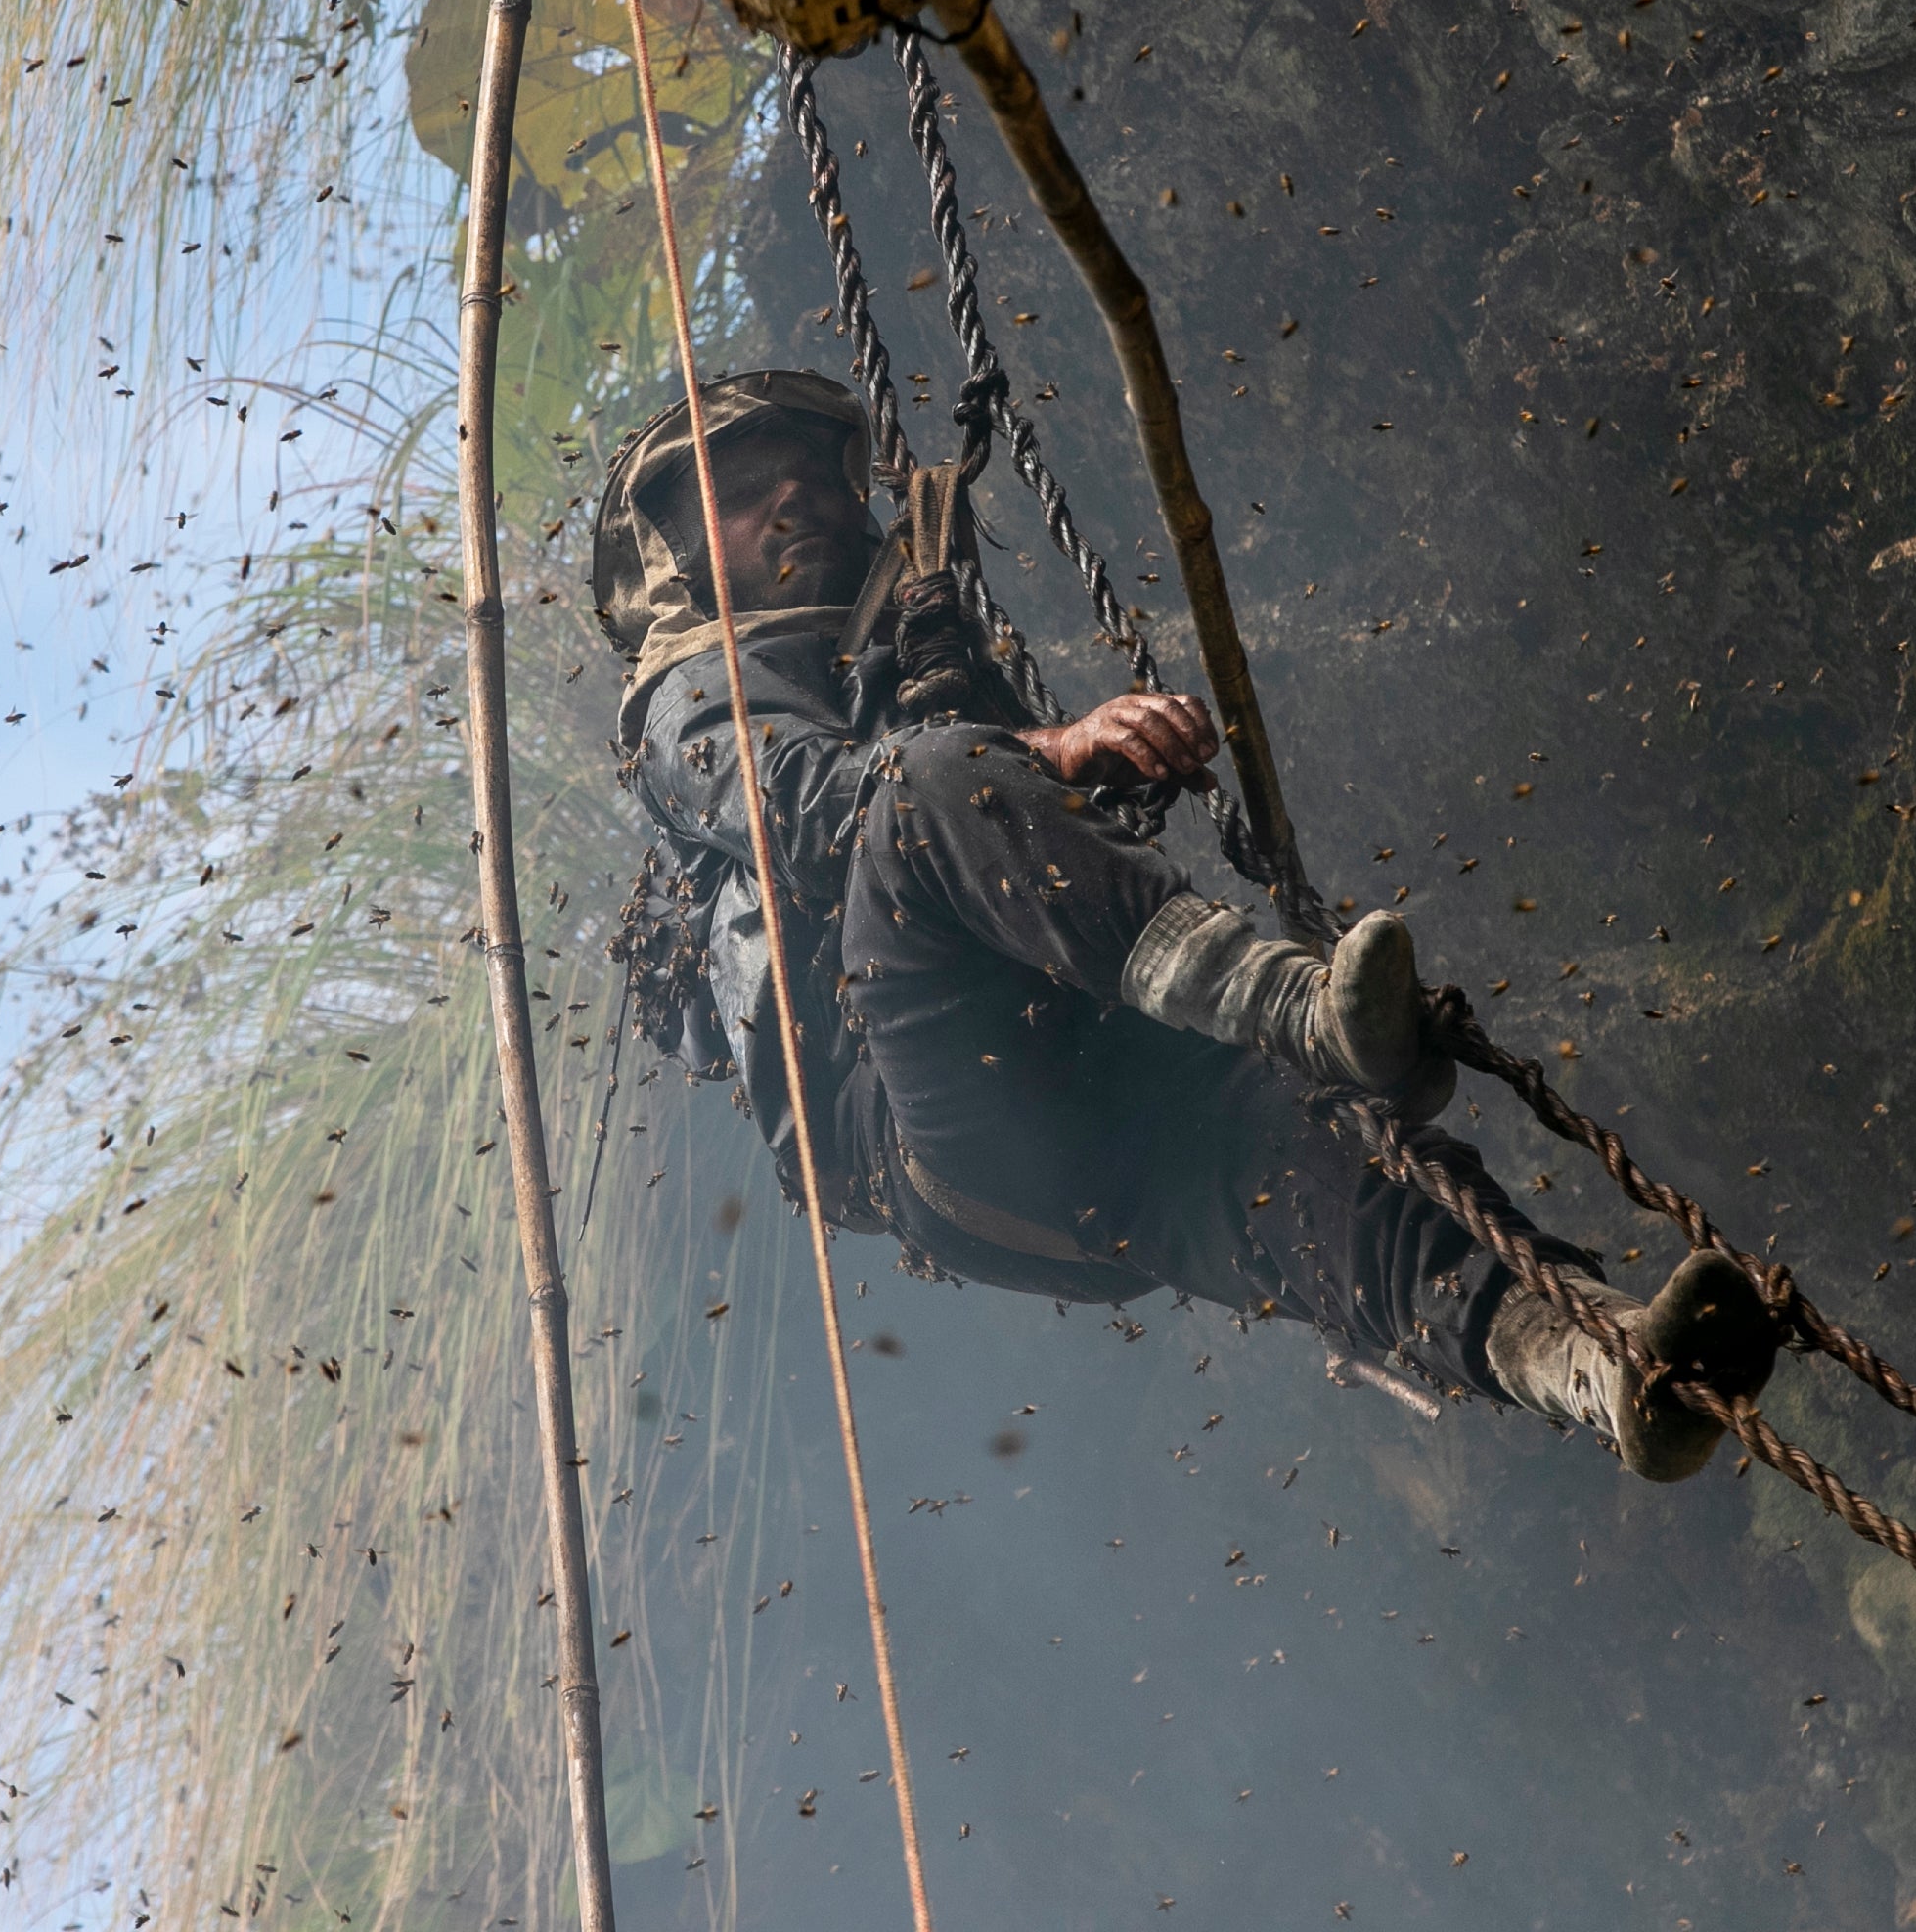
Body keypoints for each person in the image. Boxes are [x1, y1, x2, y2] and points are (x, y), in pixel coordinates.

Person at [592, 371, 1776, 1477]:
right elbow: (818, 808)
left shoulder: (905, 652)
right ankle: (1302, 1013)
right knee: (923, 790)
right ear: (678, 563)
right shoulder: (691, 699)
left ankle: (1610, 1368)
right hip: (922, 1120)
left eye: (809, 471)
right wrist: (1047, 751)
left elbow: (1000, 835)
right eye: (742, 492)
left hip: (1092, 1128)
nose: (791, 495)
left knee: (1331, 1180)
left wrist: (1067, 773)